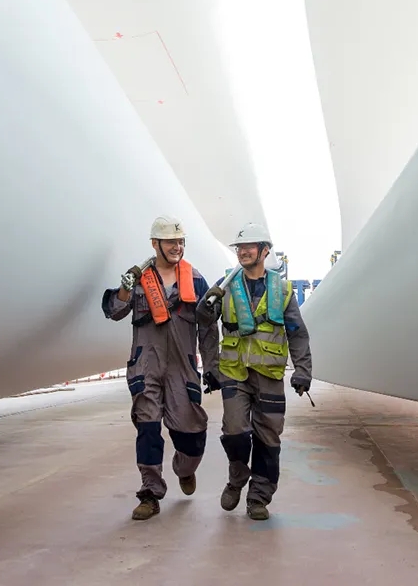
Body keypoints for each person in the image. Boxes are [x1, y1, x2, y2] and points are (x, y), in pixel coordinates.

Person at [102, 215, 217, 520]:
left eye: (180, 241)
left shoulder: (196, 281)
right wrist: (124, 289)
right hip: (146, 367)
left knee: (191, 435)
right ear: (155, 244)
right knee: (148, 428)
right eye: (171, 242)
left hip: (183, 369)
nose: (177, 247)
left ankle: (185, 468)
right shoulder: (139, 279)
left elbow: (208, 327)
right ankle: (150, 493)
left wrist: (212, 366)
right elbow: (115, 311)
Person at [197, 222, 313, 521]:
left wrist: (303, 370)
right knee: (234, 432)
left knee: (268, 439)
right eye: (239, 247)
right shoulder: (224, 286)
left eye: (249, 246)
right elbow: (206, 327)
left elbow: (297, 332)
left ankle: (258, 497)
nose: (243, 251)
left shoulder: (282, 290)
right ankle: (237, 476)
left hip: (269, 375)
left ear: (264, 251)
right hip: (233, 372)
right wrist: (210, 367)